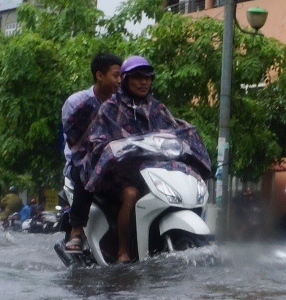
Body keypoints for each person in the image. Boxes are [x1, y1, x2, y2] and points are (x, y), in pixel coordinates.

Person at [80, 56, 210, 262]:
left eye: (147, 78)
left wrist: (187, 136)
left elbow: (174, 129)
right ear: (125, 80)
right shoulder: (110, 108)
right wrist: (116, 149)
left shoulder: (157, 108)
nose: (143, 82)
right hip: (120, 173)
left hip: (154, 169)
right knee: (130, 195)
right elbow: (97, 142)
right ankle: (123, 251)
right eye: (138, 78)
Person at [60, 52, 123, 257]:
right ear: (100, 75)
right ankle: (76, 231)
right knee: (87, 168)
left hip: (116, 162)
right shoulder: (77, 102)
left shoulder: (123, 103)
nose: (120, 81)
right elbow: (74, 140)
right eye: (116, 75)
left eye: (122, 76)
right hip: (81, 162)